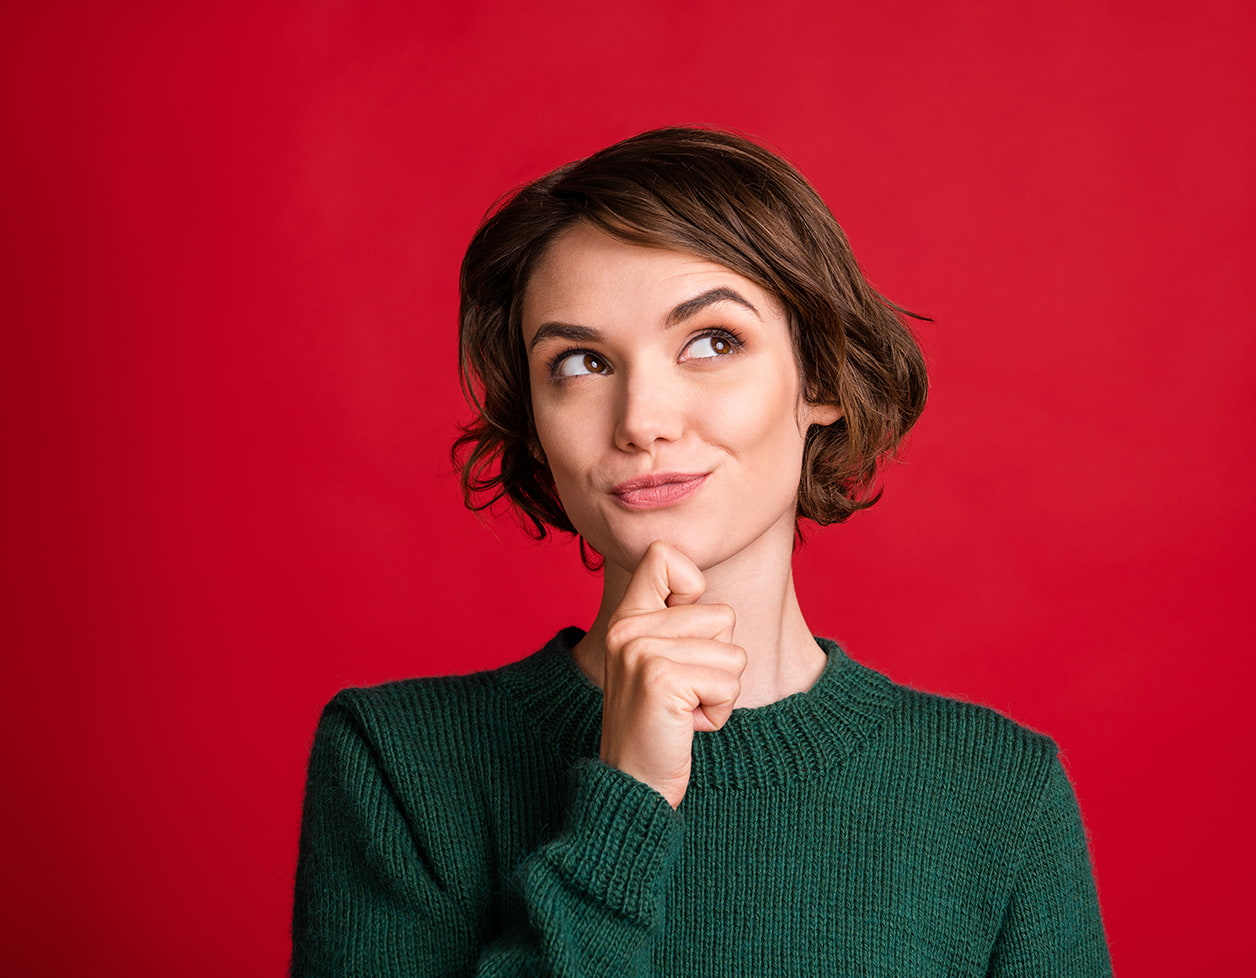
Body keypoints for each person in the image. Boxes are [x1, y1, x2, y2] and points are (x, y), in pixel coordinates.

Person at [292, 127, 1111, 976]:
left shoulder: (997, 794)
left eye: (713, 342)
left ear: (821, 377)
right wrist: (628, 801)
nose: (643, 417)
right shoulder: (397, 765)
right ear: (535, 428)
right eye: (580, 363)